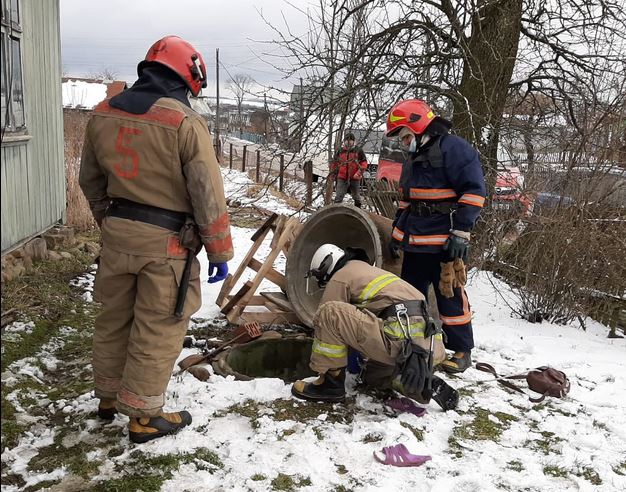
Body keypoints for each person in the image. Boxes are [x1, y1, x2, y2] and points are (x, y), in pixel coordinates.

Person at [79, 35, 234, 443]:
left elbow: (90, 181)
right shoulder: (184, 123)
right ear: (188, 77)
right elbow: (207, 194)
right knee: (158, 326)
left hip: (116, 236)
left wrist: (110, 223)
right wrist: (219, 251)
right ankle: (144, 416)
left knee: (113, 318)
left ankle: (109, 398)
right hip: (166, 245)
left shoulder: (102, 113)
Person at [291, 244, 459, 411]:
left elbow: (326, 319)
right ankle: (424, 384)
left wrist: (321, 358)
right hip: (429, 347)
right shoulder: (367, 270)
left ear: (326, 266)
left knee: (329, 312)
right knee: (373, 378)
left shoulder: (340, 276)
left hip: (400, 339)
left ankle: (329, 384)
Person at [385, 99, 486, 374]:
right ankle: (416, 345)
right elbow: (407, 203)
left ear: (418, 127)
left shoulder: (456, 150)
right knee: (410, 297)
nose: (403, 143)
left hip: (445, 243)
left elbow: (474, 193)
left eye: (405, 136)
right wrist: (397, 236)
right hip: (416, 243)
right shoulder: (413, 159)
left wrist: (461, 233)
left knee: (450, 296)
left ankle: (462, 351)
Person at [330, 132, 368, 208]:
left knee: (356, 196)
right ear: (344, 141)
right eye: (347, 140)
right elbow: (334, 163)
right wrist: (333, 174)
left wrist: (359, 173)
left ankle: (358, 210)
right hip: (342, 177)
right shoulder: (340, 151)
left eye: (350, 140)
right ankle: (336, 210)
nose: (348, 142)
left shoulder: (358, 151)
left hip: (355, 177)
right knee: (339, 196)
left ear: (354, 141)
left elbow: (364, 163)